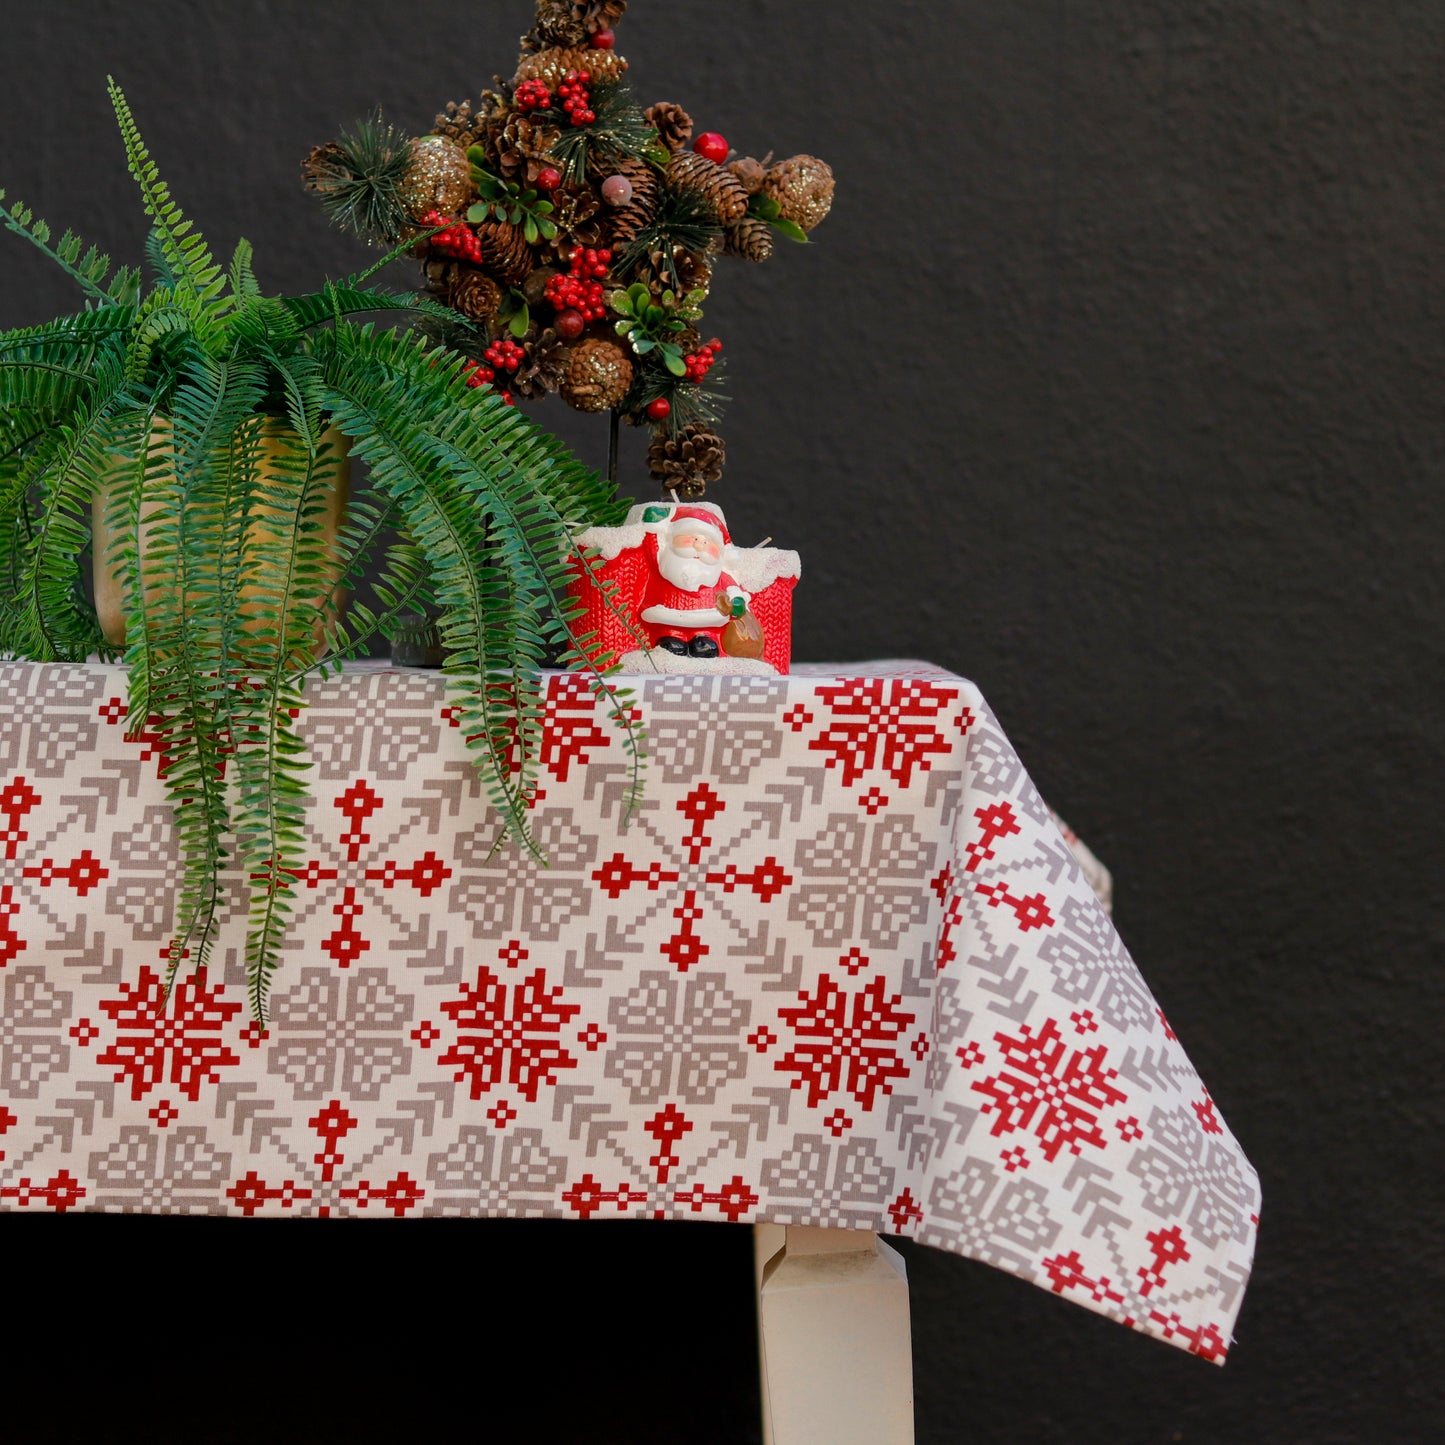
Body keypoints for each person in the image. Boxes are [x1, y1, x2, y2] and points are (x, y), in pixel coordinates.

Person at [637, 504, 750, 659]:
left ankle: (704, 641)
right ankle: (671, 639)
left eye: (706, 542)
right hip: (667, 617)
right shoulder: (666, 564)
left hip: (707, 622)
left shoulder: (717, 575)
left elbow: (733, 590)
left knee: (705, 647)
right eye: (692, 538)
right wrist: (653, 523)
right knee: (671, 647)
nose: (698, 545)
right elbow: (651, 545)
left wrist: (737, 602)